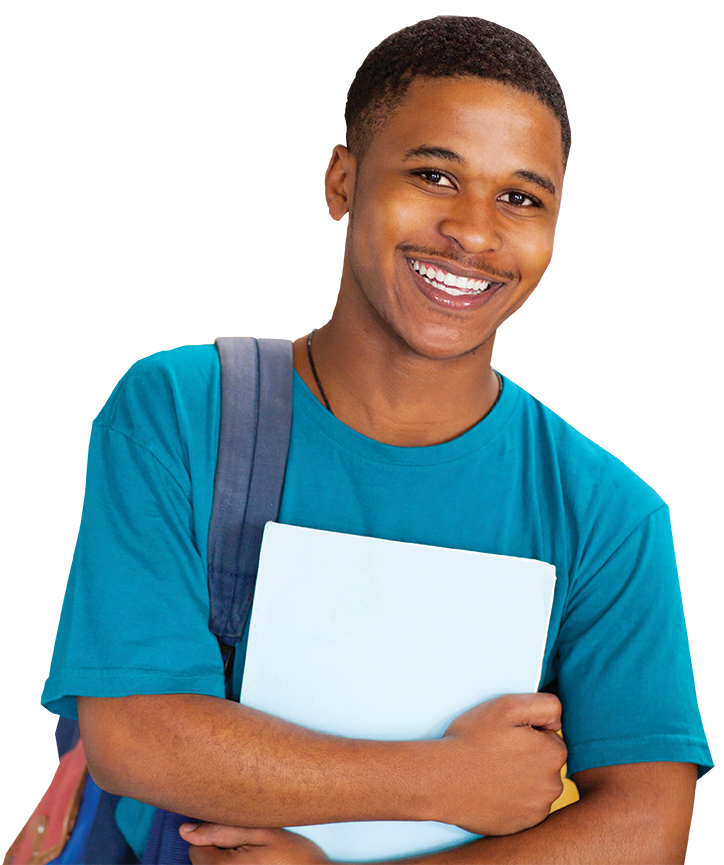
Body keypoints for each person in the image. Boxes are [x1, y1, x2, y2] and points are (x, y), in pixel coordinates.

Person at [43, 17, 712, 865]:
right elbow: (136, 735)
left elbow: (644, 821)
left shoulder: (607, 517)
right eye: (435, 175)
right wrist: (443, 777)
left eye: (520, 197)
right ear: (341, 183)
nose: (474, 232)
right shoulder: (182, 413)